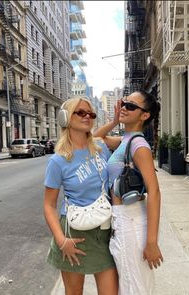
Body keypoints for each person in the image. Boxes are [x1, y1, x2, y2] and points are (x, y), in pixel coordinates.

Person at [43, 97, 118, 295]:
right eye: (81, 112)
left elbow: (130, 140)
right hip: (74, 234)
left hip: (104, 231)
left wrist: (116, 122)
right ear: (65, 117)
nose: (87, 116)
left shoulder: (101, 149)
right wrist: (61, 241)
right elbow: (49, 206)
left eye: (91, 114)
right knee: (75, 291)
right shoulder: (58, 160)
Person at [93, 90, 163, 295]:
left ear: (145, 115)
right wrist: (115, 121)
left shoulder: (139, 146)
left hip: (131, 222)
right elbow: (93, 139)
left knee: (136, 287)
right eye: (124, 103)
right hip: (122, 220)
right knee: (129, 284)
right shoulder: (127, 140)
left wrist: (151, 242)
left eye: (131, 106)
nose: (124, 107)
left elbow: (155, 192)